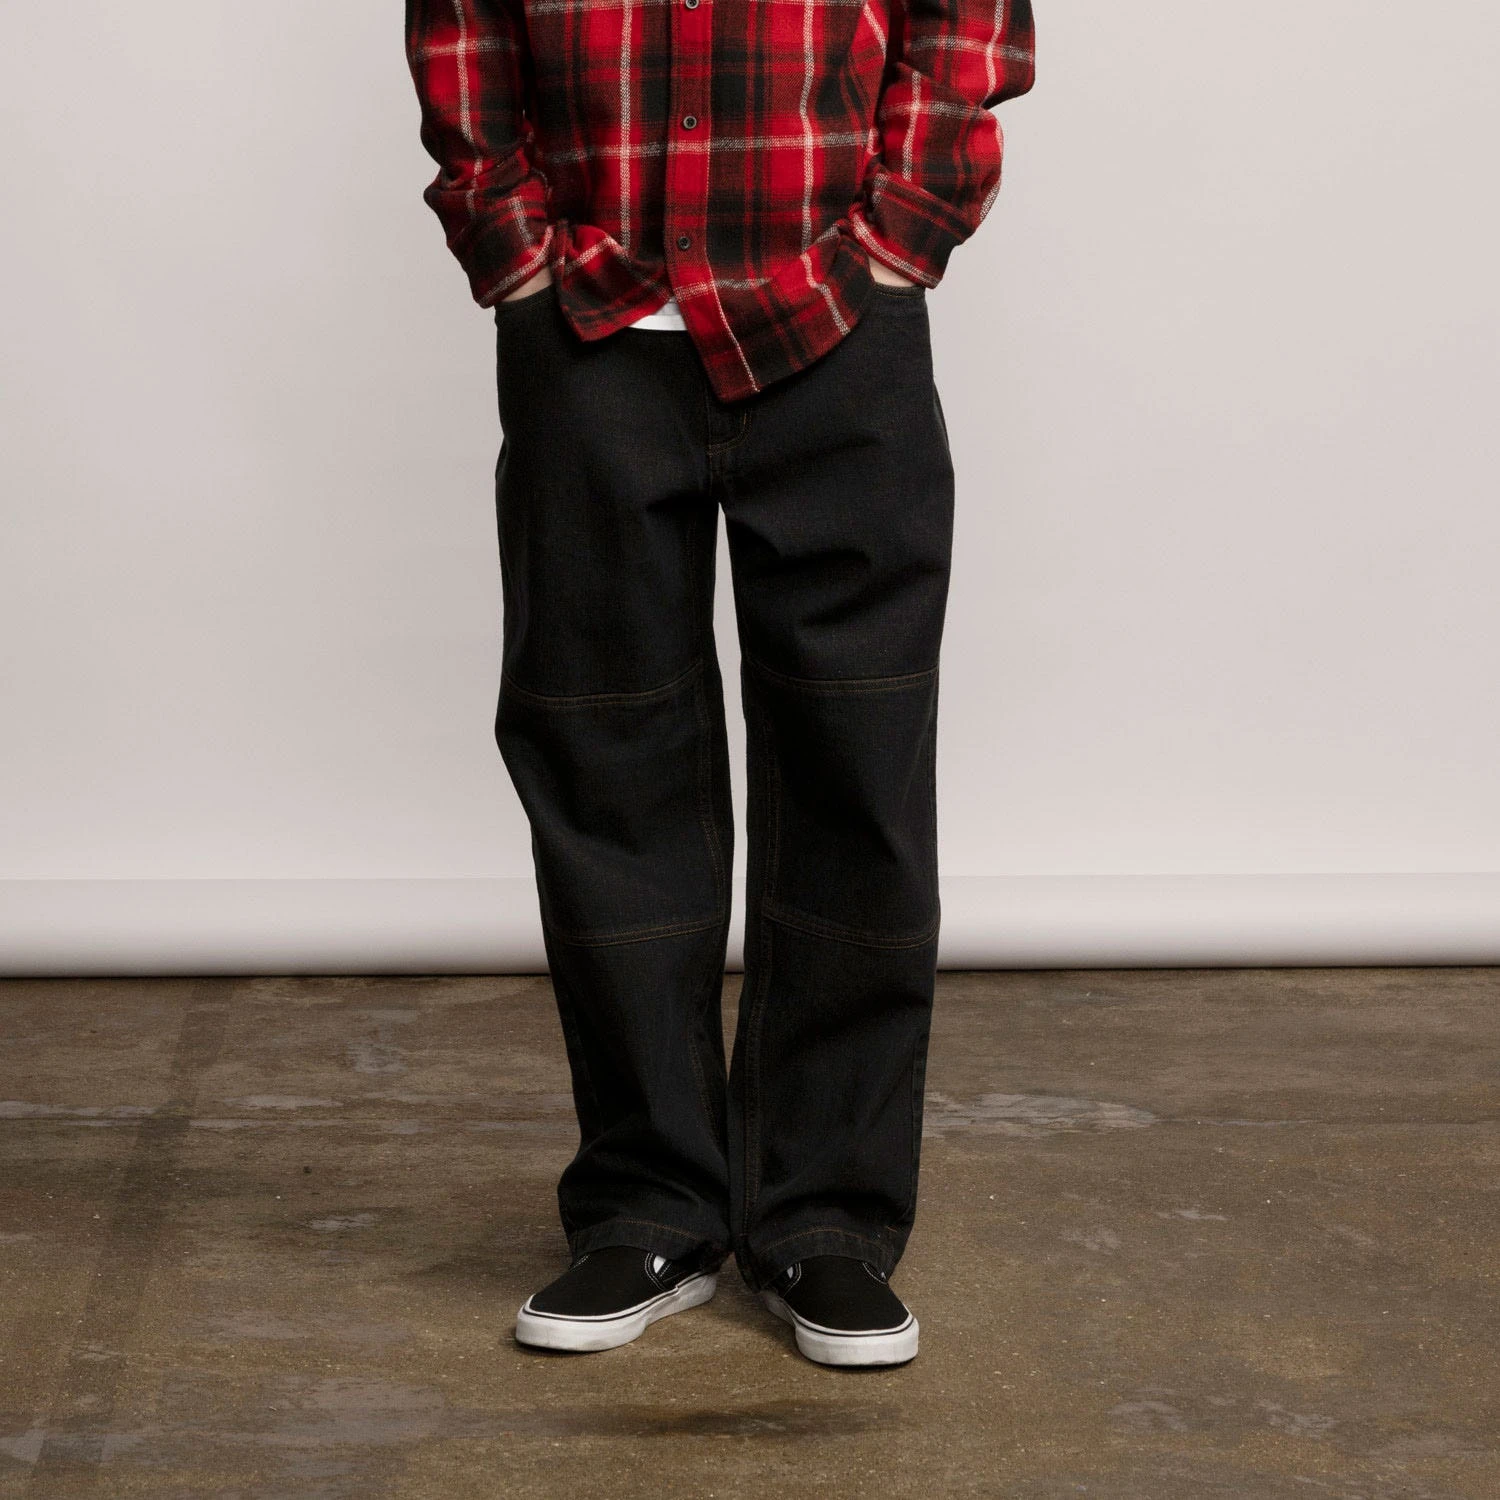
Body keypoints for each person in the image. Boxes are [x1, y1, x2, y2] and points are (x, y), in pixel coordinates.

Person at [403, 0, 1035, 1367]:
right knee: (605, 761)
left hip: (837, 323)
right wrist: (509, 244)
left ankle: (830, 1220)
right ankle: (648, 1208)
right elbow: (460, 20)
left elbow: (969, 21)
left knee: (856, 767)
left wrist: (903, 232)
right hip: (592, 328)